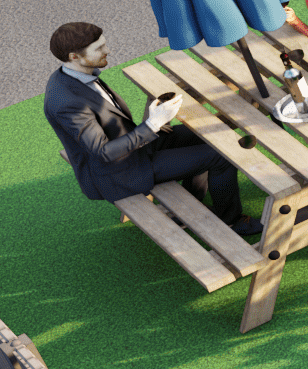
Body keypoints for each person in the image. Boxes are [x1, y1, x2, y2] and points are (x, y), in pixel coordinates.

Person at [44, 19, 251, 229]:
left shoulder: (75, 75)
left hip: (136, 146)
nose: (107, 50)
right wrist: (152, 124)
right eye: (99, 48)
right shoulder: (67, 103)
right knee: (220, 156)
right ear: (74, 57)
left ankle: (192, 201)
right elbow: (103, 152)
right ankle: (231, 221)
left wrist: (154, 125)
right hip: (123, 171)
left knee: (210, 135)